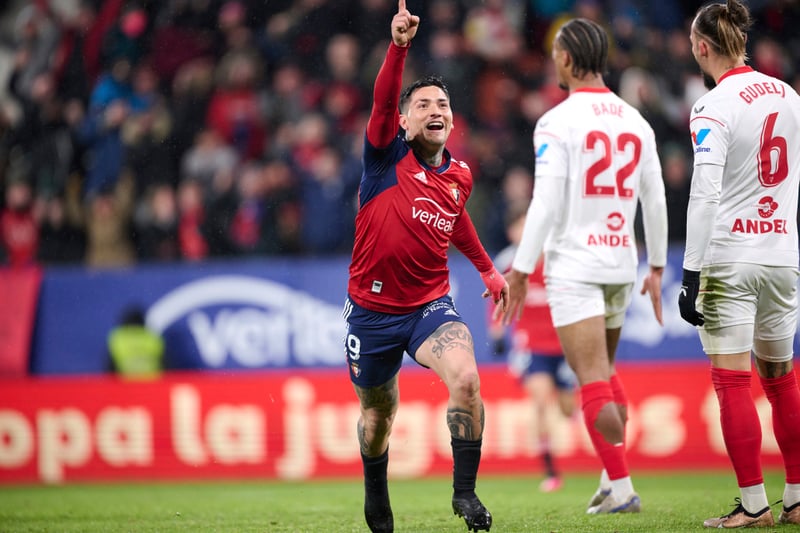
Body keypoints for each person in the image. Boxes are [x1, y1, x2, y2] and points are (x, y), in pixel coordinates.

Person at [342, 2, 508, 532]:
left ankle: (465, 494)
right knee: (377, 418)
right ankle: (376, 494)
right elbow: (382, 98)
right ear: (405, 121)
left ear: (452, 119)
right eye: (423, 104)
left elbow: (455, 220)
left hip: (428, 307)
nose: (435, 110)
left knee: (467, 379)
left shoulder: (460, 176)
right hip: (371, 312)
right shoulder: (384, 157)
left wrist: (487, 270)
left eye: (443, 103)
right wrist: (399, 47)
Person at [500, 17, 668, 515]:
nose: (553, 59)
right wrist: (657, 265)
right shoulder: (636, 121)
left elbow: (546, 202)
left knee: (590, 377)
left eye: (556, 52)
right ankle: (610, 478)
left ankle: (622, 488)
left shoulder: (556, 122)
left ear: (568, 59)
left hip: (574, 264)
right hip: (621, 262)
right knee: (606, 373)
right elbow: (655, 199)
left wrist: (521, 269)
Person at [677, 0, 800, 527]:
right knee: (782, 379)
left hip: (731, 257)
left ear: (702, 47)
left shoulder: (712, 105)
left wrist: (690, 273)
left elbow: (705, 194)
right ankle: (796, 498)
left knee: (732, 382)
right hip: (783, 253)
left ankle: (754, 506)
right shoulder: (790, 96)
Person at [488, 205, 576, 493]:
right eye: (520, 227)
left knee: (567, 409)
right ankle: (551, 471)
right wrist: (497, 333)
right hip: (532, 345)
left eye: (530, 226)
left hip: (563, 343)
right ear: (511, 232)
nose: (526, 232)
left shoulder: (557, 259)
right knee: (539, 400)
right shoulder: (507, 262)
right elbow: (498, 299)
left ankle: (573, 410)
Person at [107, 305, 164, 378]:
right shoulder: (152, 337)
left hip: (125, 382)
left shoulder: (118, 338)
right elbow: (164, 363)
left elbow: (110, 366)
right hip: (151, 381)